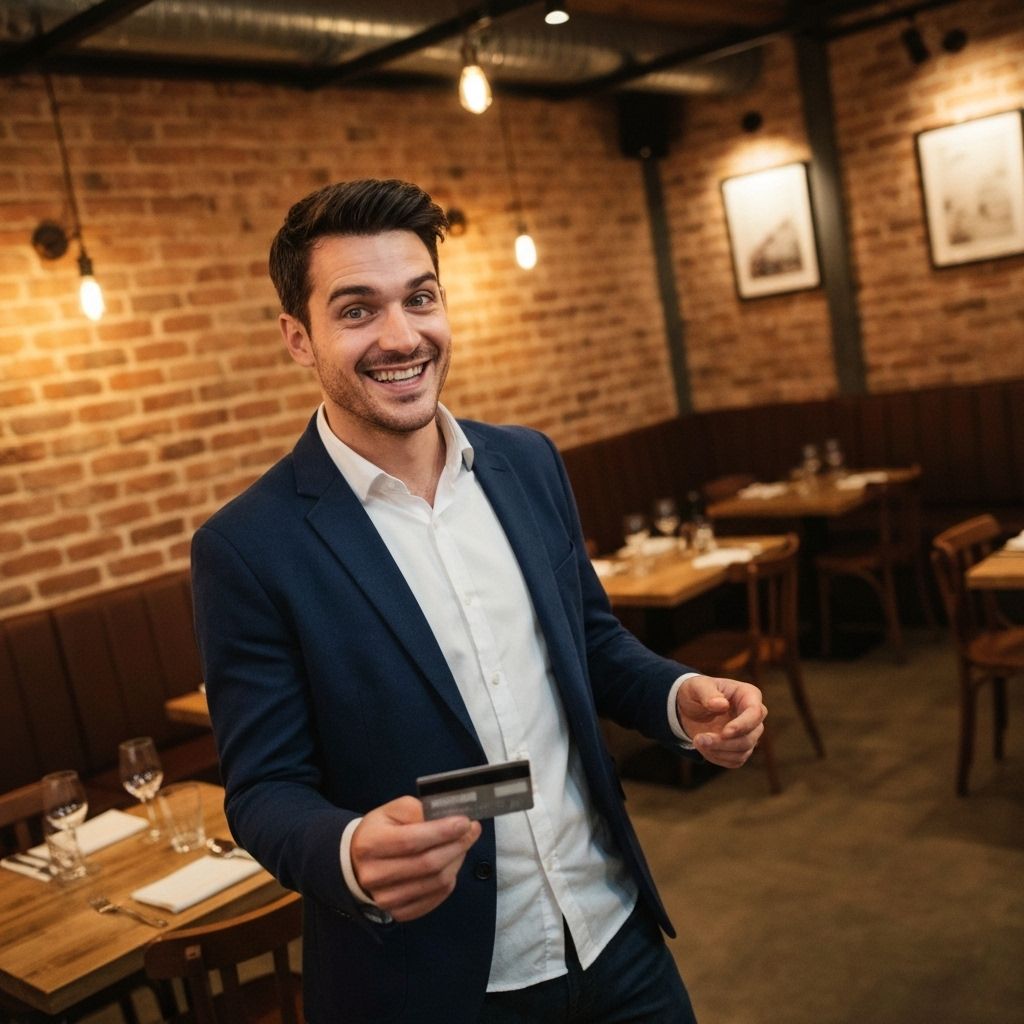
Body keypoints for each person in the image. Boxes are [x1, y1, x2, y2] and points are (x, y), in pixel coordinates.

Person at [191, 178, 767, 1024]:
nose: (401, 336)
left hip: (615, 936)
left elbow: (595, 647)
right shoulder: (248, 547)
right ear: (297, 339)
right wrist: (349, 852)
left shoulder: (527, 463)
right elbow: (265, 788)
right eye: (356, 310)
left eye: (420, 298)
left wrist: (682, 699)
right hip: (437, 984)